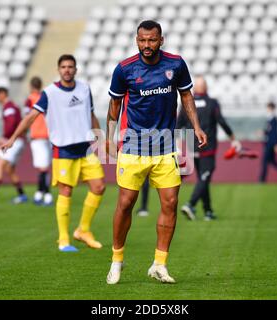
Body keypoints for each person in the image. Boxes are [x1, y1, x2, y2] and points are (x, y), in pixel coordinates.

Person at [105, 20, 207, 284]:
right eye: (142, 40)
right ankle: (117, 260)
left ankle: (159, 264)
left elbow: (186, 97)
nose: (146, 45)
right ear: (136, 40)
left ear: (161, 40)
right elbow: (115, 104)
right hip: (133, 146)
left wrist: (196, 126)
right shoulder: (124, 69)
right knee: (126, 203)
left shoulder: (176, 64)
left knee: (170, 203)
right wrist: (108, 138)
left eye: (151, 40)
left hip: (165, 148)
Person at [0, 54, 105, 252]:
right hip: (63, 150)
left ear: (76, 69)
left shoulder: (84, 88)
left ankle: (83, 230)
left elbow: (91, 114)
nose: (67, 70)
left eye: (70, 66)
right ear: (58, 70)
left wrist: (101, 139)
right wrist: (13, 138)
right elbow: (30, 118)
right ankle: (63, 240)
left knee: (98, 187)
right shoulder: (49, 93)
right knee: (66, 192)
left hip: (85, 148)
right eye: (63, 66)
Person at [177, 76, 240, 221]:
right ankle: (191, 204)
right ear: (206, 88)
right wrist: (233, 139)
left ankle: (208, 211)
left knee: (202, 178)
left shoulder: (186, 103)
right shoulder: (212, 103)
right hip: (207, 146)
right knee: (204, 178)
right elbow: (221, 121)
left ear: (194, 88)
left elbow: (178, 124)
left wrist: (176, 144)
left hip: (192, 147)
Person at [0, 87, 27, 204]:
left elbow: (11, 123)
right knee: (9, 169)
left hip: (13, 141)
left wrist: (5, 136)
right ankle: (22, 195)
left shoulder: (9, 107)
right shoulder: (11, 107)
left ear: (3, 94)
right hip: (18, 140)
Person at [24, 76, 53, 206]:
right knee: (44, 166)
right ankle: (40, 192)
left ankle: (46, 195)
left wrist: (25, 132)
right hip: (48, 135)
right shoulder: (46, 97)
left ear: (31, 86)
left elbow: (27, 118)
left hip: (36, 136)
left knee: (43, 168)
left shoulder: (29, 100)